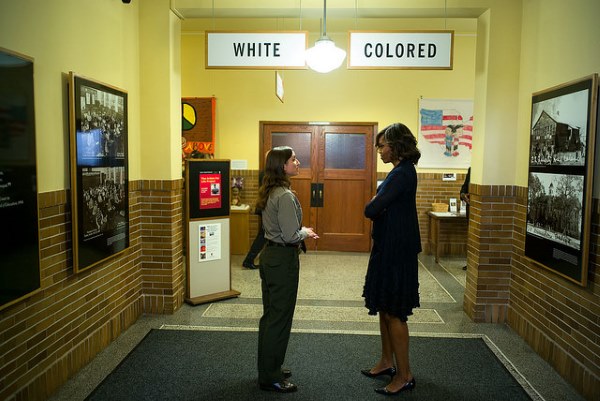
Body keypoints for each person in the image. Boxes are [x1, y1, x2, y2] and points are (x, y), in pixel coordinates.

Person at [361, 123, 421, 396]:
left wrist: (376, 201)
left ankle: (404, 374)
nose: (380, 150)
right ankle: (387, 362)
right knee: (385, 306)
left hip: (397, 251)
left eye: (383, 145)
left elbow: (371, 208)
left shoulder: (401, 174)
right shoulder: (399, 172)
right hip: (389, 247)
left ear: (396, 146)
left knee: (395, 311)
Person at [255, 146, 319, 393]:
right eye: (293, 159)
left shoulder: (273, 191)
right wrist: (306, 232)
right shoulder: (284, 195)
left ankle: (269, 367)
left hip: (272, 257)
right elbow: (292, 235)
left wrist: (299, 232)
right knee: (279, 319)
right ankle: (270, 376)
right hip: (282, 259)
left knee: (271, 316)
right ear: (283, 166)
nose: (298, 162)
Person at [242, 171, 265, 269]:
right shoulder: (270, 174)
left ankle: (249, 260)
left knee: (263, 235)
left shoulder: (264, 173)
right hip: (266, 207)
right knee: (262, 235)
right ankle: (248, 260)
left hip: (263, 205)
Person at [459, 167, 471, 270]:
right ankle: (470, 262)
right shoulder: (471, 170)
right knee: (471, 236)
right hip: (470, 209)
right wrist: (463, 195)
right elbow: (463, 188)